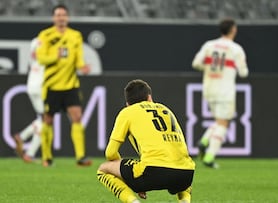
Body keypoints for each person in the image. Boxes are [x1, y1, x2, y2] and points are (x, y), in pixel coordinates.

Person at [97, 79, 195, 203]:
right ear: (149, 97)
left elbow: (110, 153)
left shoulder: (127, 112)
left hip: (152, 171)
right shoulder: (166, 110)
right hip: (186, 176)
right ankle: (185, 201)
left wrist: (129, 177)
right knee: (181, 163)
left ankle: (133, 202)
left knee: (103, 169)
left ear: (128, 103)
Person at [36, 4, 91, 167]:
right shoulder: (45, 35)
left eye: (63, 15)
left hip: (70, 84)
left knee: (77, 117)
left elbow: (78, 57)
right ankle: (47, 157)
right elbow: (41, 59)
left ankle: (80, 157)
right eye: (58, 15)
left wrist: (83, 66)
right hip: (52, 85)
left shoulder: (76, 36)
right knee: (48, 120)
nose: (61, 18)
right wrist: (56, 55)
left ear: (67, 17)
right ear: (54, 18)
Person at [192, 18, 249, 168]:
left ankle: (204, 141)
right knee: (223, 123)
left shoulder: (209, 45)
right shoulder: (236, 49)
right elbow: (243, 73)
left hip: (209, 88)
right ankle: (209, 157)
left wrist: (210, 68)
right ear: (233, 30)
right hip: (225, 91)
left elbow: (196, 63)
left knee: (218, 121)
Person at [13, 38, 44, 163]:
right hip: (41, 85)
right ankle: (28, 150)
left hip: (32, 83)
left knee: (43, 120)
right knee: (45, 122)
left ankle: (23, 140)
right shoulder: (49, 41)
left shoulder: (35, 41)